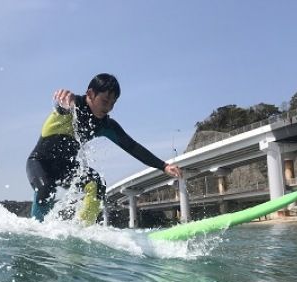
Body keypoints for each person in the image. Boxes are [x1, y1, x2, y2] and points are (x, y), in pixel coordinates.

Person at [26, 73, 182, 224]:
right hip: (40, 162)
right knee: (46, 189)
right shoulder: (73, 104)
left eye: (113, 104)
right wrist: (63, 100)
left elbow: (132, 146)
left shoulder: (104, 125)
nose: (109, 108)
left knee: (97, 184)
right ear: (90, 94)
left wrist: (164, 166)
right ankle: (35, 229)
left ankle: (82, 230)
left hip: (66, 168)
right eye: (105, 101)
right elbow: (62, 106)